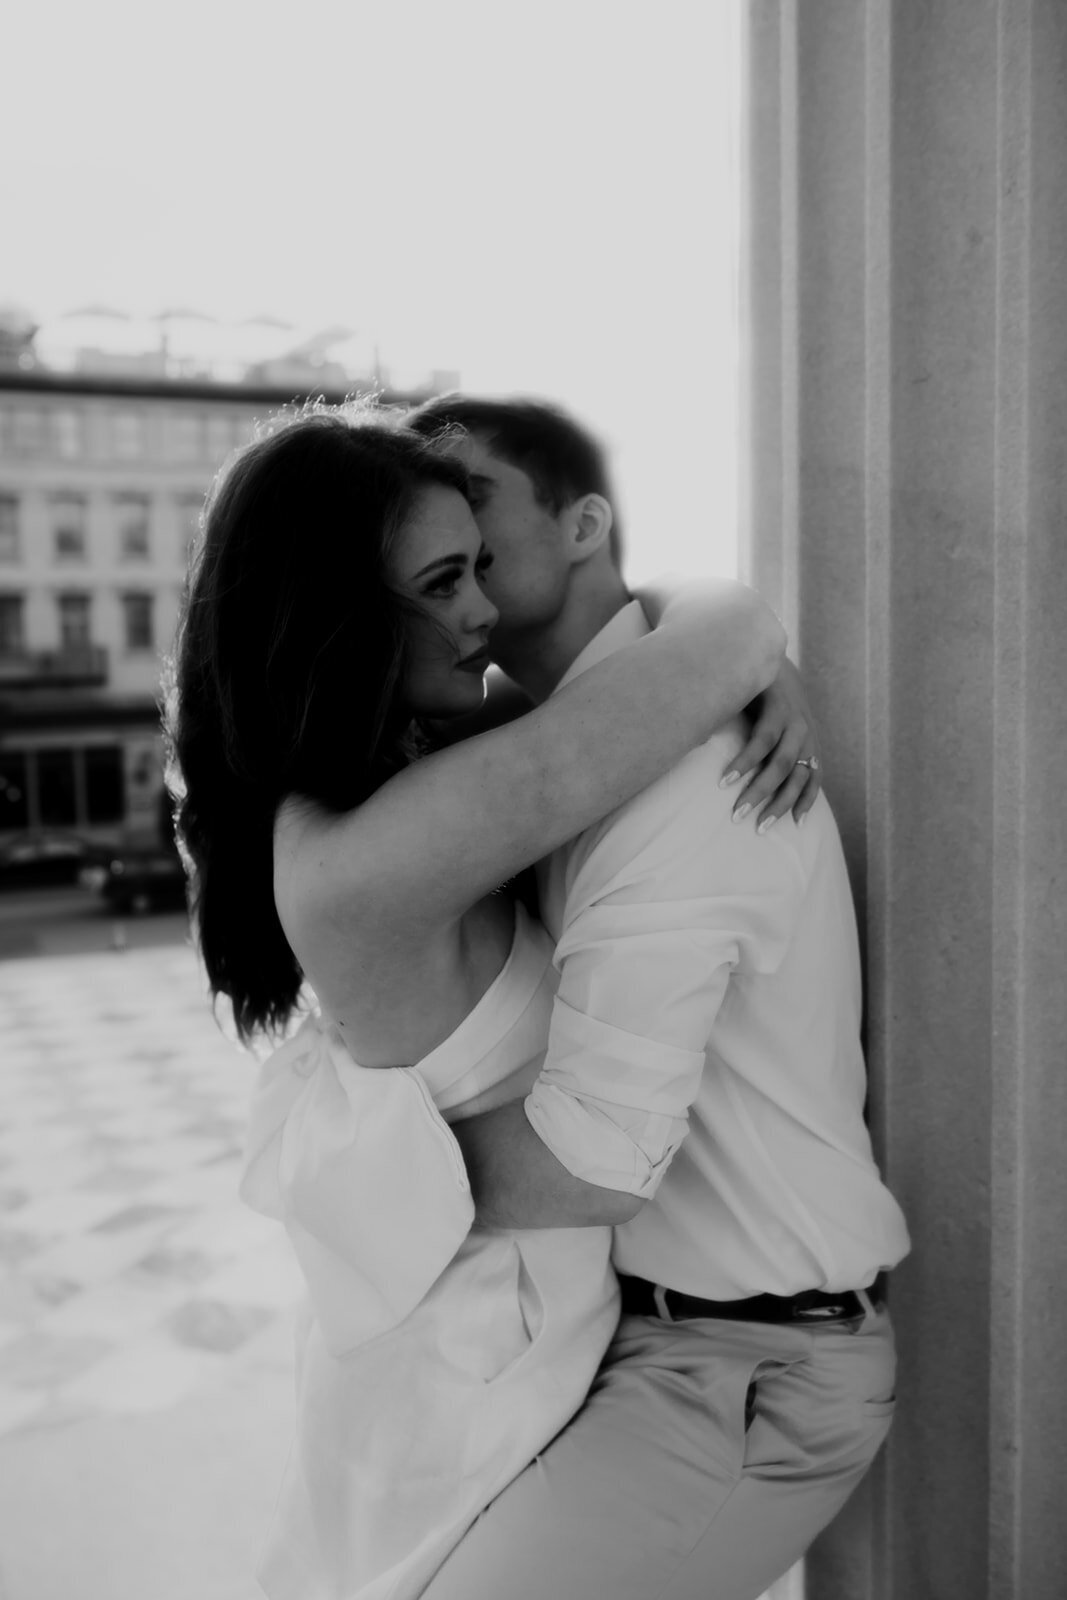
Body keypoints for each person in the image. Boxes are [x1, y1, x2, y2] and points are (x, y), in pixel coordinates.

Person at [164, 400, 811, 1600]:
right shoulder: (366, 857)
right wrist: (751, 650)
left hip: (506, 1348)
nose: (484, 611)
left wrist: (745, 656)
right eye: (446, 580)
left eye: (481, 566)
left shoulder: (401, 769)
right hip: (467, 1391)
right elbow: (685, 666)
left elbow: (663, 662)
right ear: (338, 614)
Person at [403, 394, 912, 1600]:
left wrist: (354, 1167)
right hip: (636, 1336)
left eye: (471, 505)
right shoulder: (554, 749)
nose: (447, 552)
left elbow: (590, 1167)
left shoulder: (688, 776)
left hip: (754, 1370)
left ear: (583, 523)